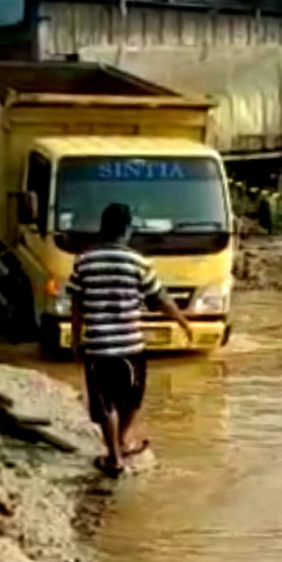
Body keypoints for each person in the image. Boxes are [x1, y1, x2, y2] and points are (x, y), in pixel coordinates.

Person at [68, 203, 192, 477]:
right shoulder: (138, 262)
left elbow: (76, 303)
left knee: (105, 403)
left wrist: (76, 340)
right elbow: (159, 299)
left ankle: (114, 454)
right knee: (131, 399)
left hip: (98, 345)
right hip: (130, 347)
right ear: (126, 229)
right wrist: (183, 322)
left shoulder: (84, 260)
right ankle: (120, 447)